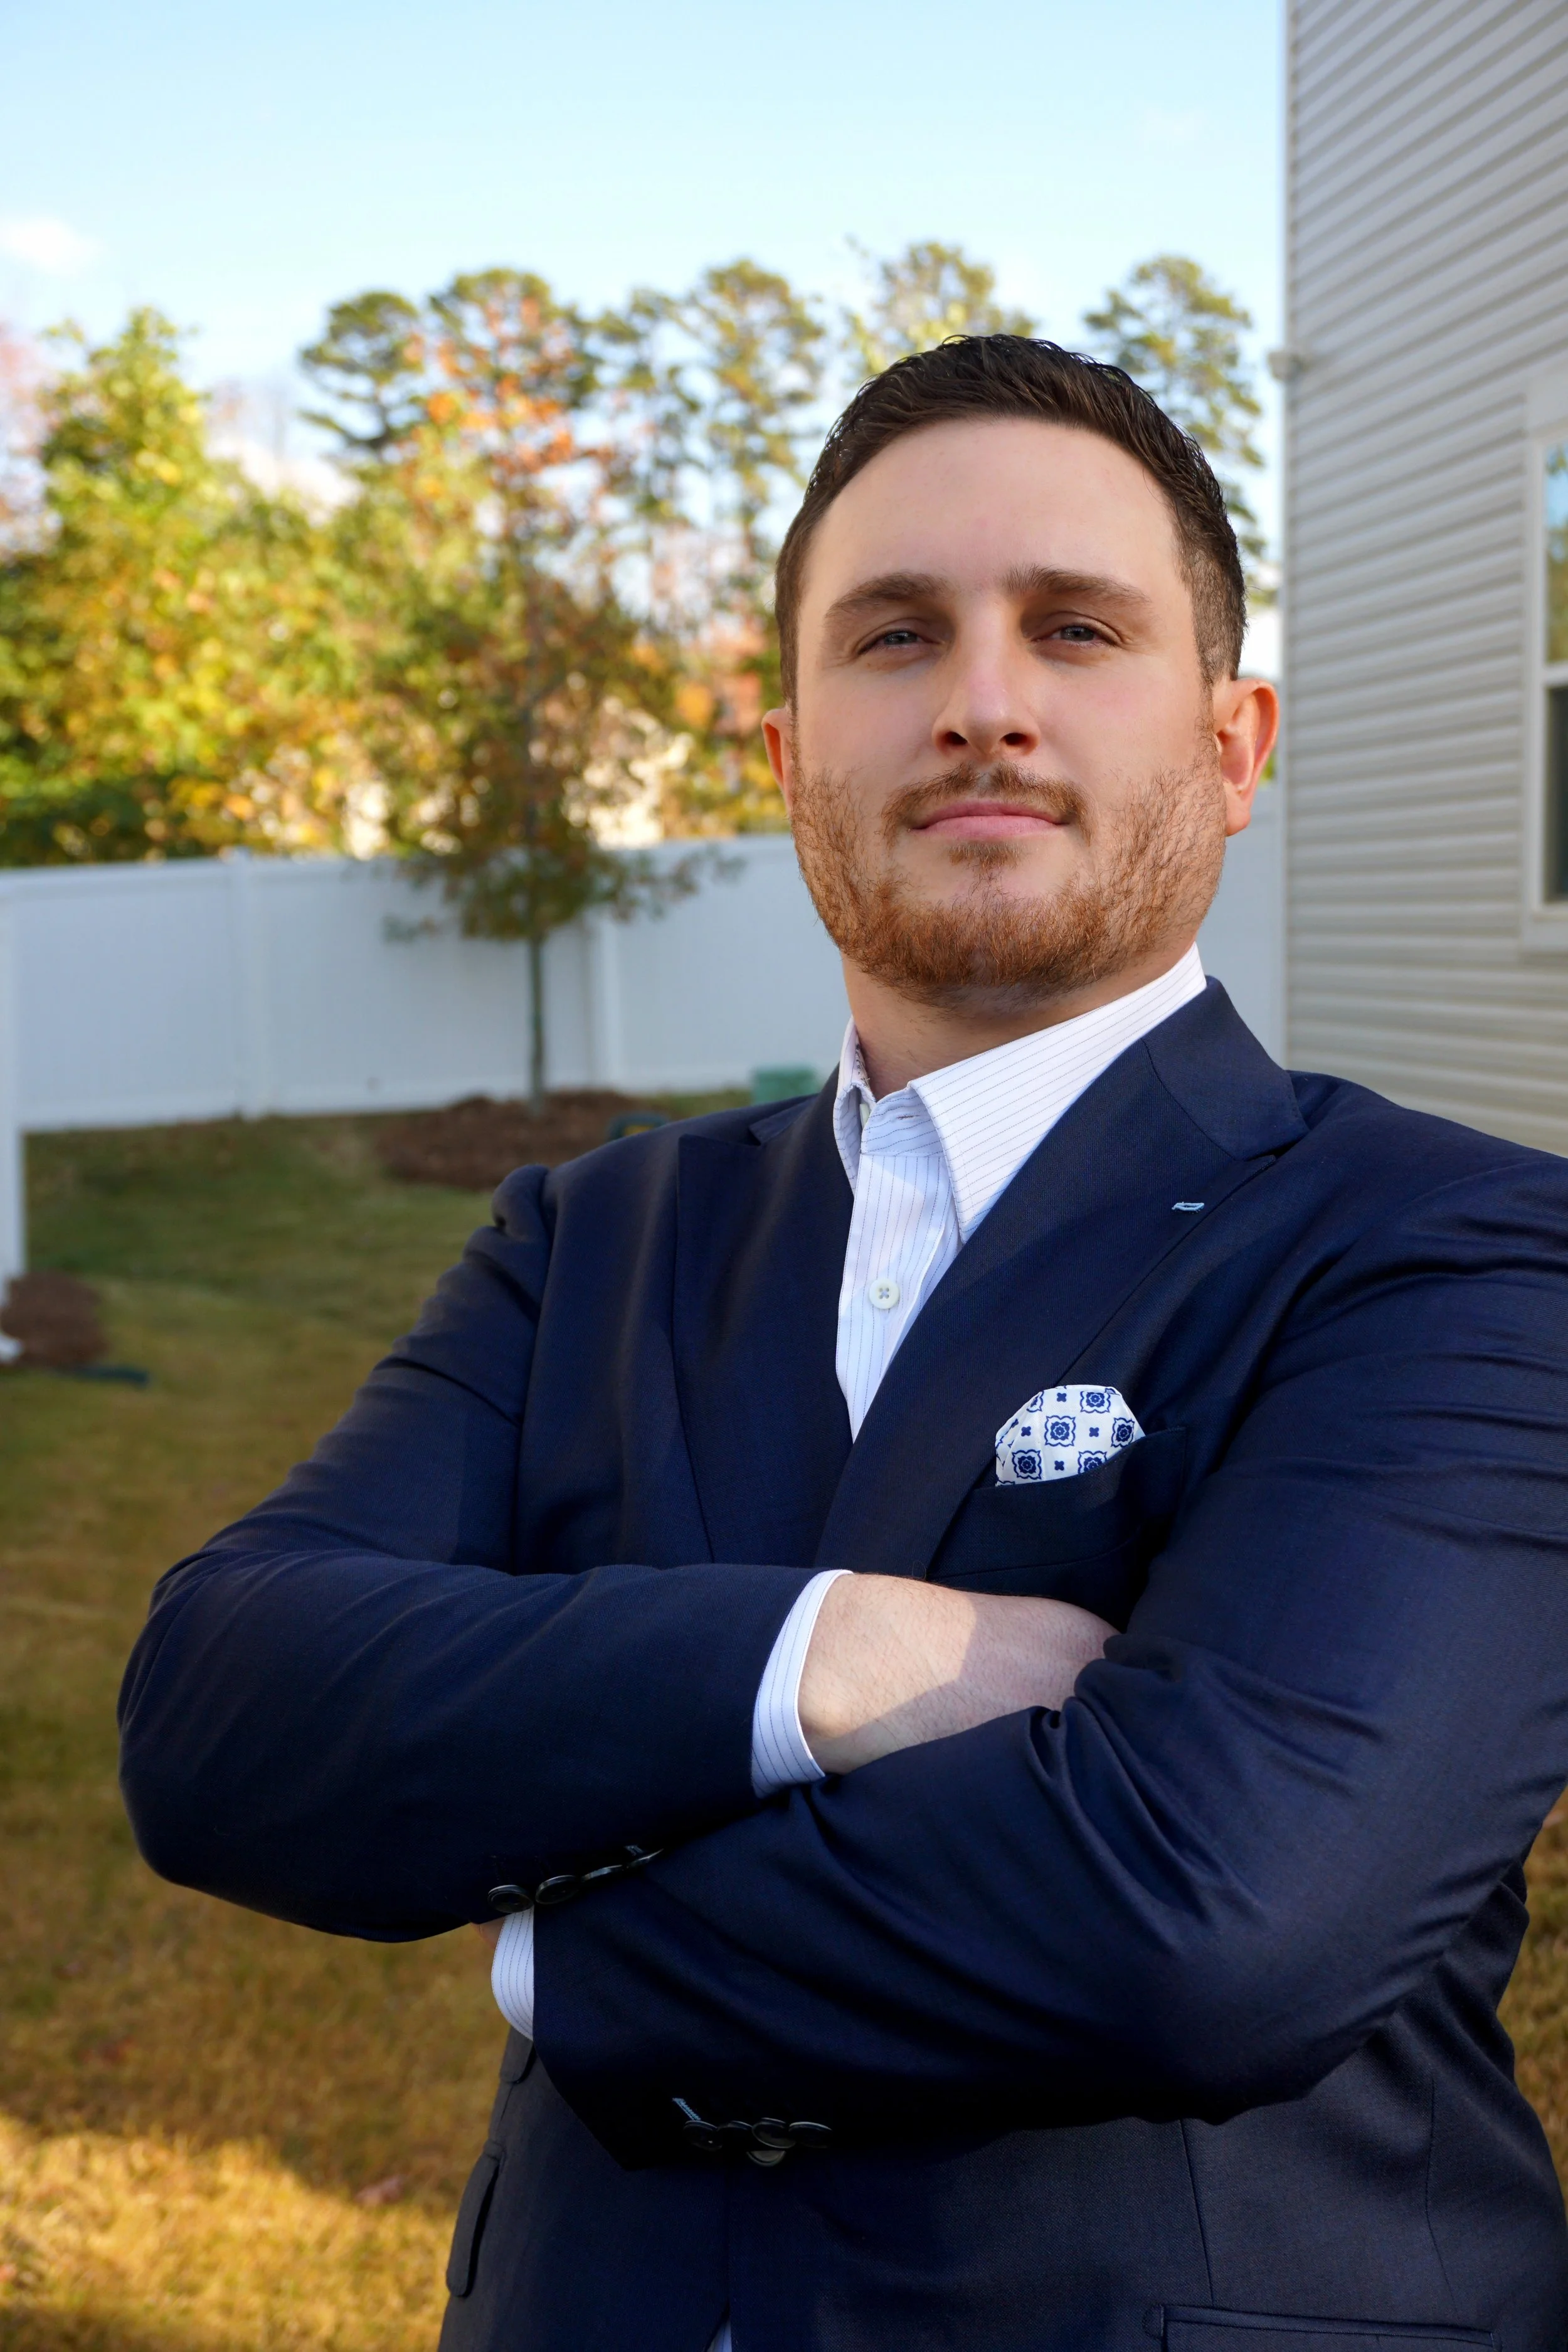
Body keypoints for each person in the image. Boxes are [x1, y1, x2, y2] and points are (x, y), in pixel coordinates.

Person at [119, 336, 1568, 2352]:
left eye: (1074, 628)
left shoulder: (1454, 1250)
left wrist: (559, 1933)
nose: (982, 701)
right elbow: (216, 1710)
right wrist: (836, 1660)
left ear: (1235, 748)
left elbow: (1215, 1917)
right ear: (786, 753)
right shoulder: (590, 1237)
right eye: (894, 636)